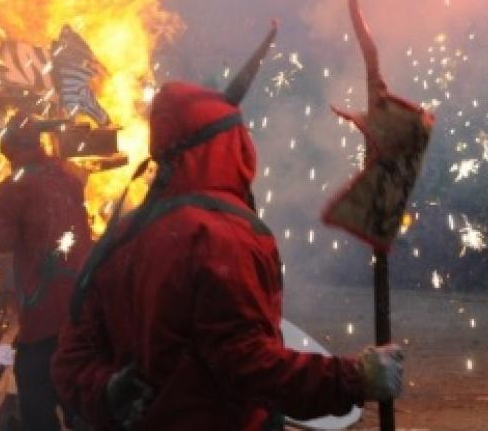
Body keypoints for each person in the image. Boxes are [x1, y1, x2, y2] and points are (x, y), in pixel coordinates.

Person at [51, 31, 404, 431]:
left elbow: (70, 359)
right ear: (229, 144)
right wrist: (354, 378)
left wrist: (106, 392)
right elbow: (247, 364)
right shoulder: (221, 237)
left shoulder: (121, 237)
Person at [0, 113, 92, 431]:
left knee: (35, 390)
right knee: (78, 393)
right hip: (81, 303)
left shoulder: (13, 187)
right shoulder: (67, 175)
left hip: (42, 308)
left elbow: (2, 246)